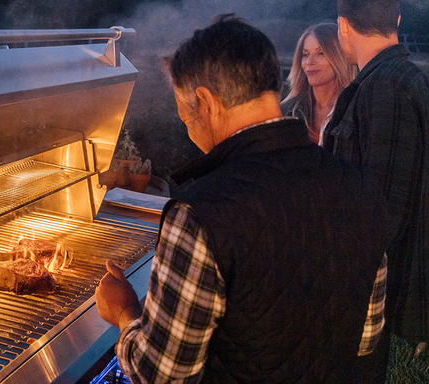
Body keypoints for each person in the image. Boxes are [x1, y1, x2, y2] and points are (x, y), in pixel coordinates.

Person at [96, 15, 390, 383]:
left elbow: (161, 374)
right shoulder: (361, 186)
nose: (186, 124)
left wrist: (125, 311)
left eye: (183, 109)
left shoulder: (199, 215)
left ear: (206, 101)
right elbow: (366, 337)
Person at [322, 0, 429, 381]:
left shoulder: (388, 87)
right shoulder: (389, 79)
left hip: (371, 289)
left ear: (343, 26)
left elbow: (381, 211)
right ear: (397, 21)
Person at [281, 22, 357, 144]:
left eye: (320, 53)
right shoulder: (287, 111)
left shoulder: (356, 109)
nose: (309, 62)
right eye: (305, 55)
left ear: (339, 57)